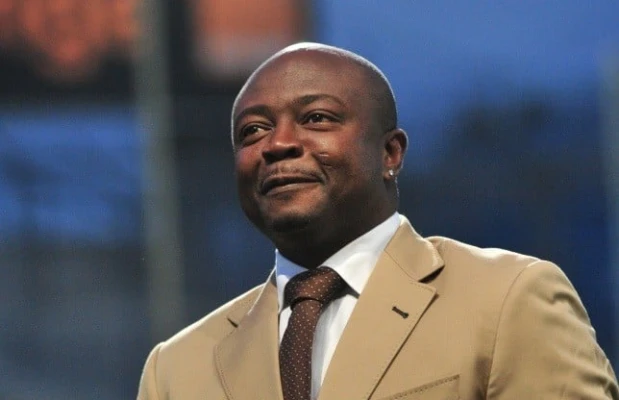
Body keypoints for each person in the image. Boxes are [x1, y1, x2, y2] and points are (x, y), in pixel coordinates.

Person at [137, 42, 618, 400]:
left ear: (390, 153)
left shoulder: (509, 299)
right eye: (253, 130)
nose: (277, 143)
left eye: (317, 118)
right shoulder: (176, 368)